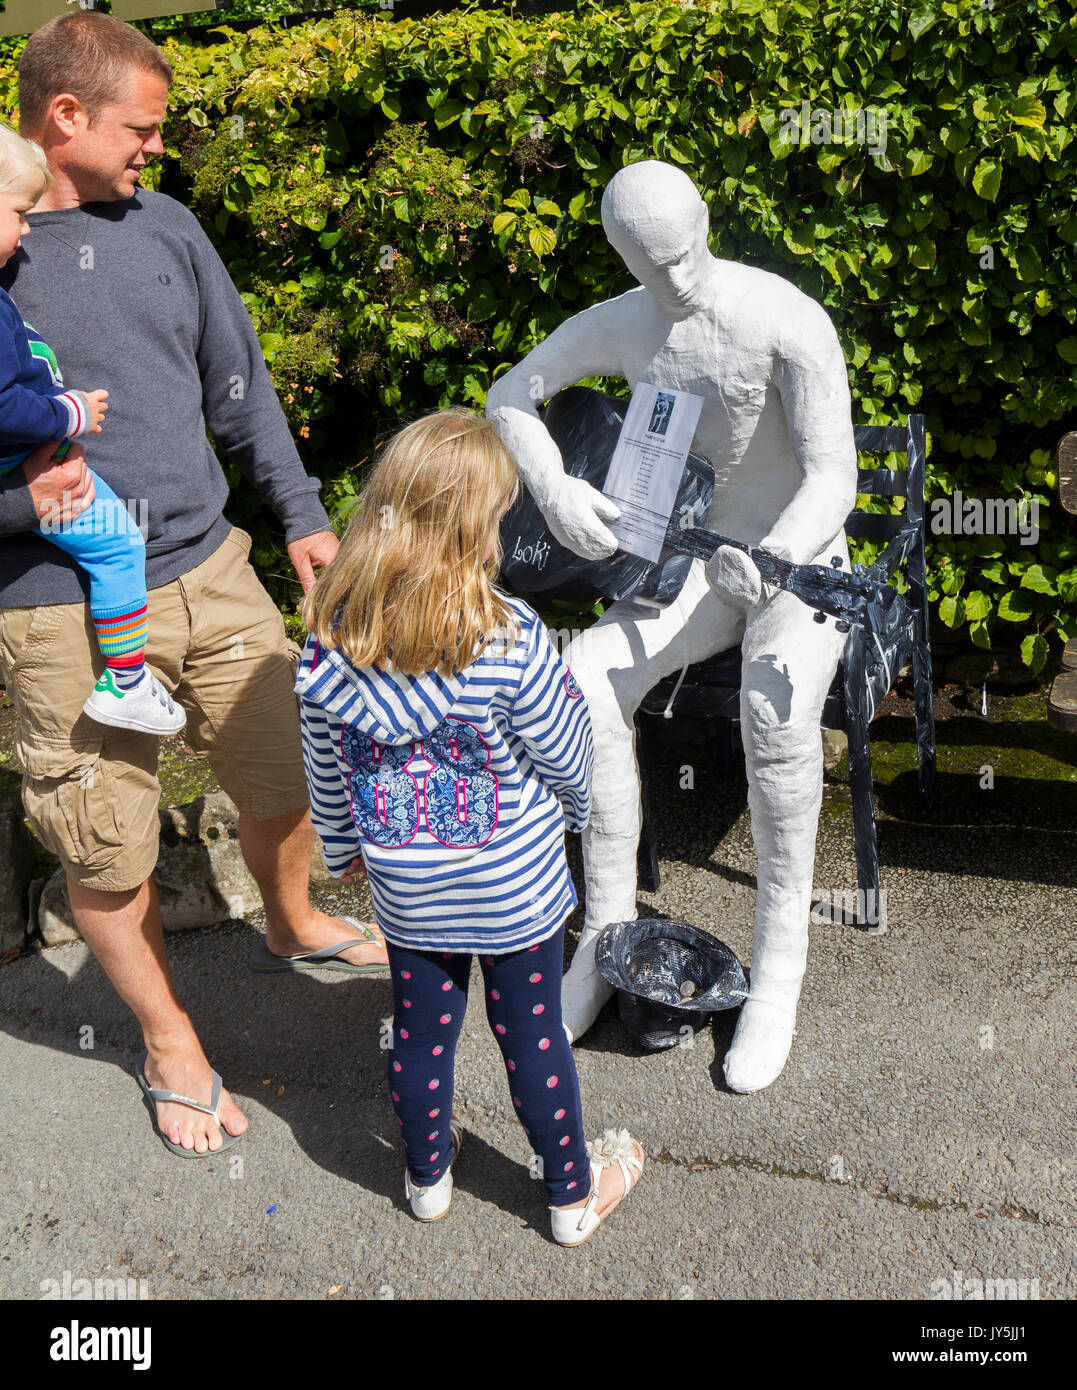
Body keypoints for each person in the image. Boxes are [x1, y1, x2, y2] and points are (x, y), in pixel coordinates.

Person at [0, 11, 388, 1159]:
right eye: (142, 127)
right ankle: (171, 1041)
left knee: (281, 768)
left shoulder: (167, 227)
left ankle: (291, 916)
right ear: (65, 118)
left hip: (210, 567)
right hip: (53, 603)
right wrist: (29, 501)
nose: (156, 149)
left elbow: (239, 383)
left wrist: (304, 518)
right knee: (103, 842)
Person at [487, 160, 859, 1093]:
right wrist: (552, 482)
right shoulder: (623, 319)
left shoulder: (784, 318)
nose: (677, 278)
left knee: (773, 718)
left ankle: (777, 972)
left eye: (685, 251)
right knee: (584, 680)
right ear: (622, 256)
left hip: (796, 559)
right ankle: (606, 938)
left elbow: (833, 476)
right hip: (692, 561)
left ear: (705, 219)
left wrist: (772, 560)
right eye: (651, 265)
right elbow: (509, 394)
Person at [296, 409, 645, 1246]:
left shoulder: (328, 643)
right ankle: (568, 1195)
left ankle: (426, 1177)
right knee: (529, 1033)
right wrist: (568, 814)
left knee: (421, 1032)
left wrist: (343, 848)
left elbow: (326, 764)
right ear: (473, 528)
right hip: (512, 883)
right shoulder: (510, 636)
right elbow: (564, 747)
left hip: (409, 886)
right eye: (495, 518)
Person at [0, 120, 184, 736]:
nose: (26, 231)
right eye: (18, 213)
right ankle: (126, 680)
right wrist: (67, 413)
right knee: (118, 546)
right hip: (36, 470)